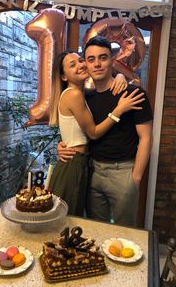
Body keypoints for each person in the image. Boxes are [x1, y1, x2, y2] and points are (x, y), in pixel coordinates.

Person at [57, 36, 153, 226]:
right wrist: (61, 145)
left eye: (103, 57)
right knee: (95, 230)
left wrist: (136, 177)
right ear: (87, 63)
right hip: (92, 172)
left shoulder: (133, 94)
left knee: (125, 233)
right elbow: (78, 130)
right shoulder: (86, 97)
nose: (97, 64)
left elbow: (146, 138)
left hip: (123, 173)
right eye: (91, 59)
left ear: (112, 60)